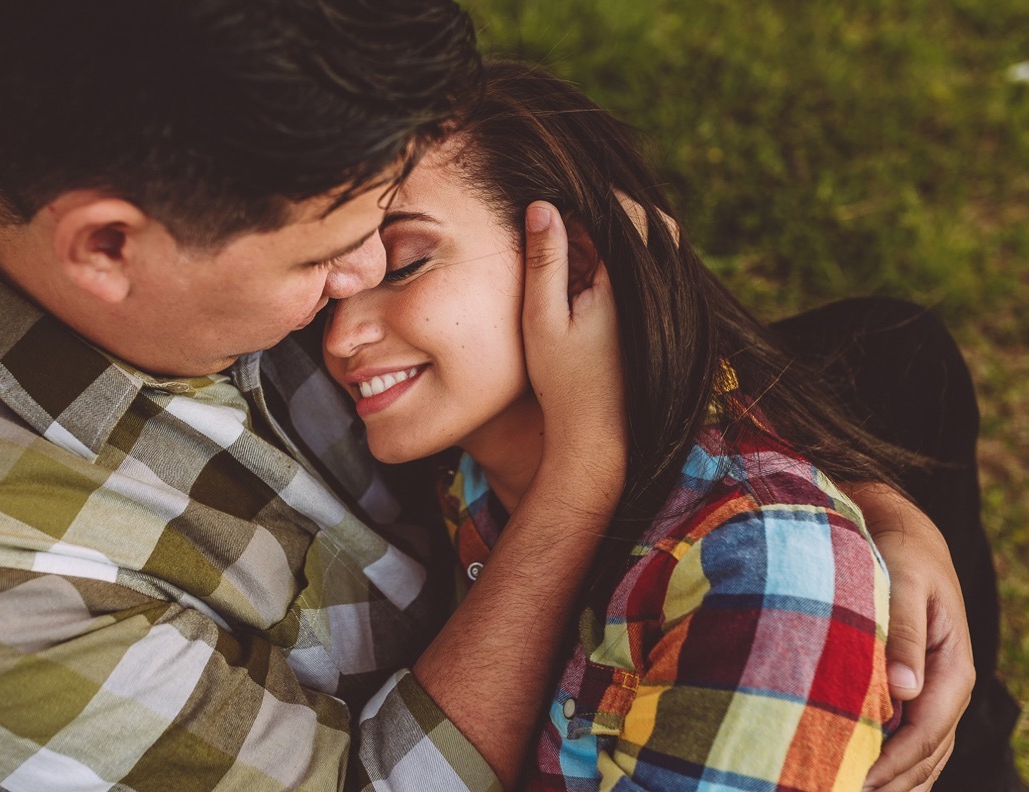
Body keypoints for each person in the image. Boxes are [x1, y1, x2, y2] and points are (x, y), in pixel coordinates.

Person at [0, 2, 981, 790]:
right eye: (324, 260)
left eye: (392, 243)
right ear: (107, 248)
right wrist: (580, 473)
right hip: (471, 706)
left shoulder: (195, 141)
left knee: (890, 362)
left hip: (537, 563)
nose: (350, 297)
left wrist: (870, 503)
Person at [322, 60, 1018, 790]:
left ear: (574, 268)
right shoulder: (461, 472)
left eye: (403, 265)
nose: (339, 339)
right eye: (332, 286)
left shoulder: (764, 574)